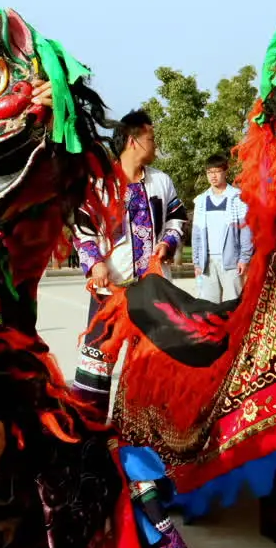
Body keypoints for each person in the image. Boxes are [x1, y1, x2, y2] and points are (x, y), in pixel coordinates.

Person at [71, 108, 187, 415]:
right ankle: (89, 437)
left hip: (152, 291)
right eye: (151, 137)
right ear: (133, 141)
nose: (155, 143)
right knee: (96, 367)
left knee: (151, 365)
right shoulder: (99, 184)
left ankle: (140, 439)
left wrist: (168, 241)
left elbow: (177, 219)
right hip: (109, 293)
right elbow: (82, 231)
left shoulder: (162, 182)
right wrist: (95, 263)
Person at [192, 153, 252, 303]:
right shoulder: (201, 200)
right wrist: (197, 262)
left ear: (225, 171)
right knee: (208, 308)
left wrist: (244, 258)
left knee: (233, 306)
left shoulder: (238, 198)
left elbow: (246, 231)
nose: (213, 176)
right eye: (209, 172)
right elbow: (197, 234)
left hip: (231, 262)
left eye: (217, 171)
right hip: (207, 263)